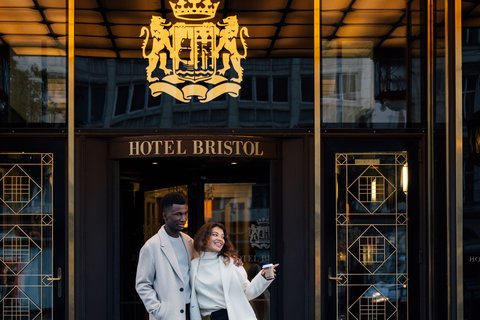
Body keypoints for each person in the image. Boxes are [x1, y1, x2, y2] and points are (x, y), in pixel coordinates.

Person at [189, 222, 278, 320]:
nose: (220, 239)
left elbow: (248, 292)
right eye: (215, 235)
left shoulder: (231, 262)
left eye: (223, 237)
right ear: (203, 237)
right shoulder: (193, 265)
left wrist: (263, 277)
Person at [136, 192, 195, 320]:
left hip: (191, 311)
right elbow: (143, 284)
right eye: (178, 214)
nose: (183, 218)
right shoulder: (151, 246)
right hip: (168, 314)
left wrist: (231, 260)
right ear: (164, 215)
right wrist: (158, 310)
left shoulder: (189, 241)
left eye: (185, 213)